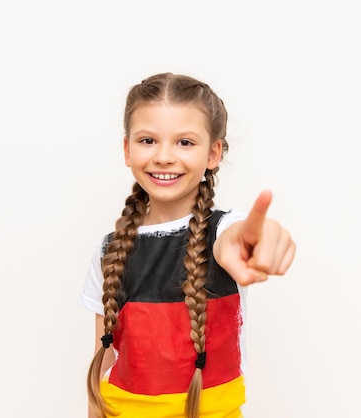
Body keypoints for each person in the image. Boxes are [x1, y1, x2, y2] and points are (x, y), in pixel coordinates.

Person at [79, 72, 296, 418]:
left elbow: (236, 239)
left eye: (185, 142)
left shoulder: (224, 229)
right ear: (127, 149)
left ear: (213, 153)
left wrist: (258, 241)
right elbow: (102, 361)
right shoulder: (110, 250)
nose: (164, 156)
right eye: (148, 140)